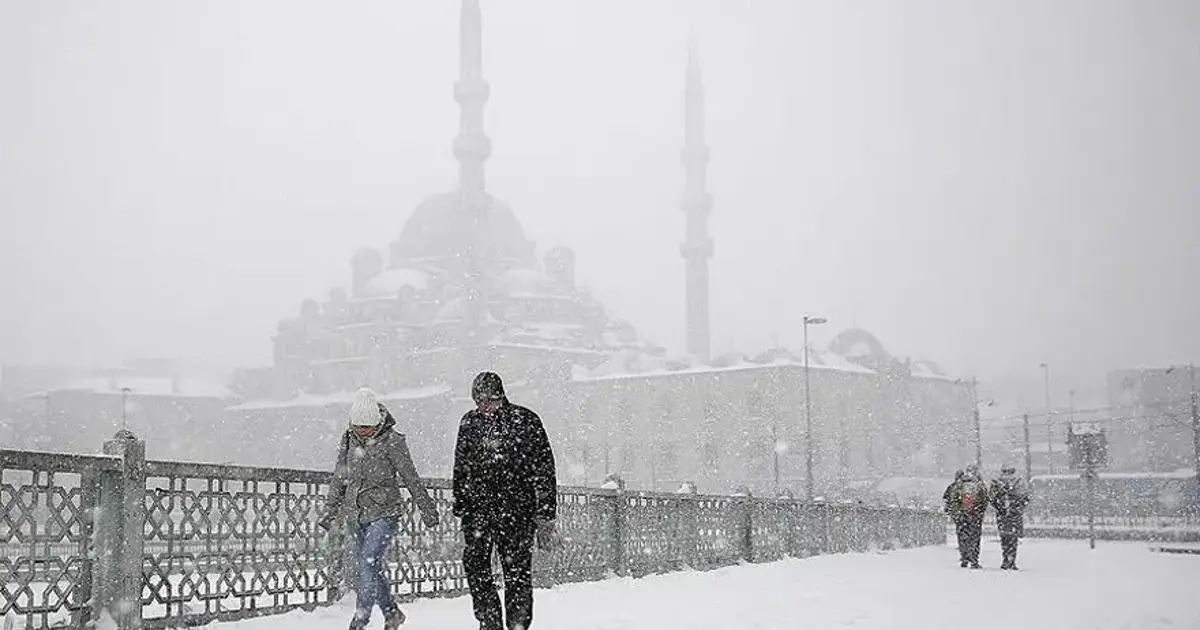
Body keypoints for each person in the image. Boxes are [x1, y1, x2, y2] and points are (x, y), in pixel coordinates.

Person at [319, 387, 440, 630]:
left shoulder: (393, 441)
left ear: (378, 422)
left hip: (385, 513)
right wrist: (330, 510)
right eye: (358, 427)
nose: (363, 432)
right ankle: (392, 613)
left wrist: (427, 509)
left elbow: (410, 476)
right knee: (369, 567)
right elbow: (339, 477)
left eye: (368, 427)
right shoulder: (348, 439)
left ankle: (360, 620)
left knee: (367, 562)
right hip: (356, 514)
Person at [453, 372, 558, 630]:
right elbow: (461, 466)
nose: (485, 407)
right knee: (477, 569)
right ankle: (490, 623)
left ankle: (517, 625)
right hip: (478, 512)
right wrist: (461, 505)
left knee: (517, 575)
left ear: (501, 396)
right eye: (480, 401)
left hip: (517, 513)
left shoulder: (526, 421)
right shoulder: (469, 423)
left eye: (490, 400)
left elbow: (544, 468)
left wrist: (545, 512)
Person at [943, 465, 989, 569]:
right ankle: (974, 560)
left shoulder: (958, 484)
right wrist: (979, 512)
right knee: (975, 538)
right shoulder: (979, 485)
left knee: (962, 537)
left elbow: (951, 499)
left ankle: (964, 558)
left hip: (961, 516)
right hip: (975, 516)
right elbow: (985, 500)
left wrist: (956, 513)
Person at [990, 466, 1030, 570]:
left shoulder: (997, 482)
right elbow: (1026, 498)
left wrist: (1000, 508)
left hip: (1002, 515)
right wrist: (1018, 508)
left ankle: (1005, 559)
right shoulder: (1019, 482)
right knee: (1013, 538)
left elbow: (992, 499)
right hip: (1015, 514)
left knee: (1004, 538)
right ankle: (1012, 560)